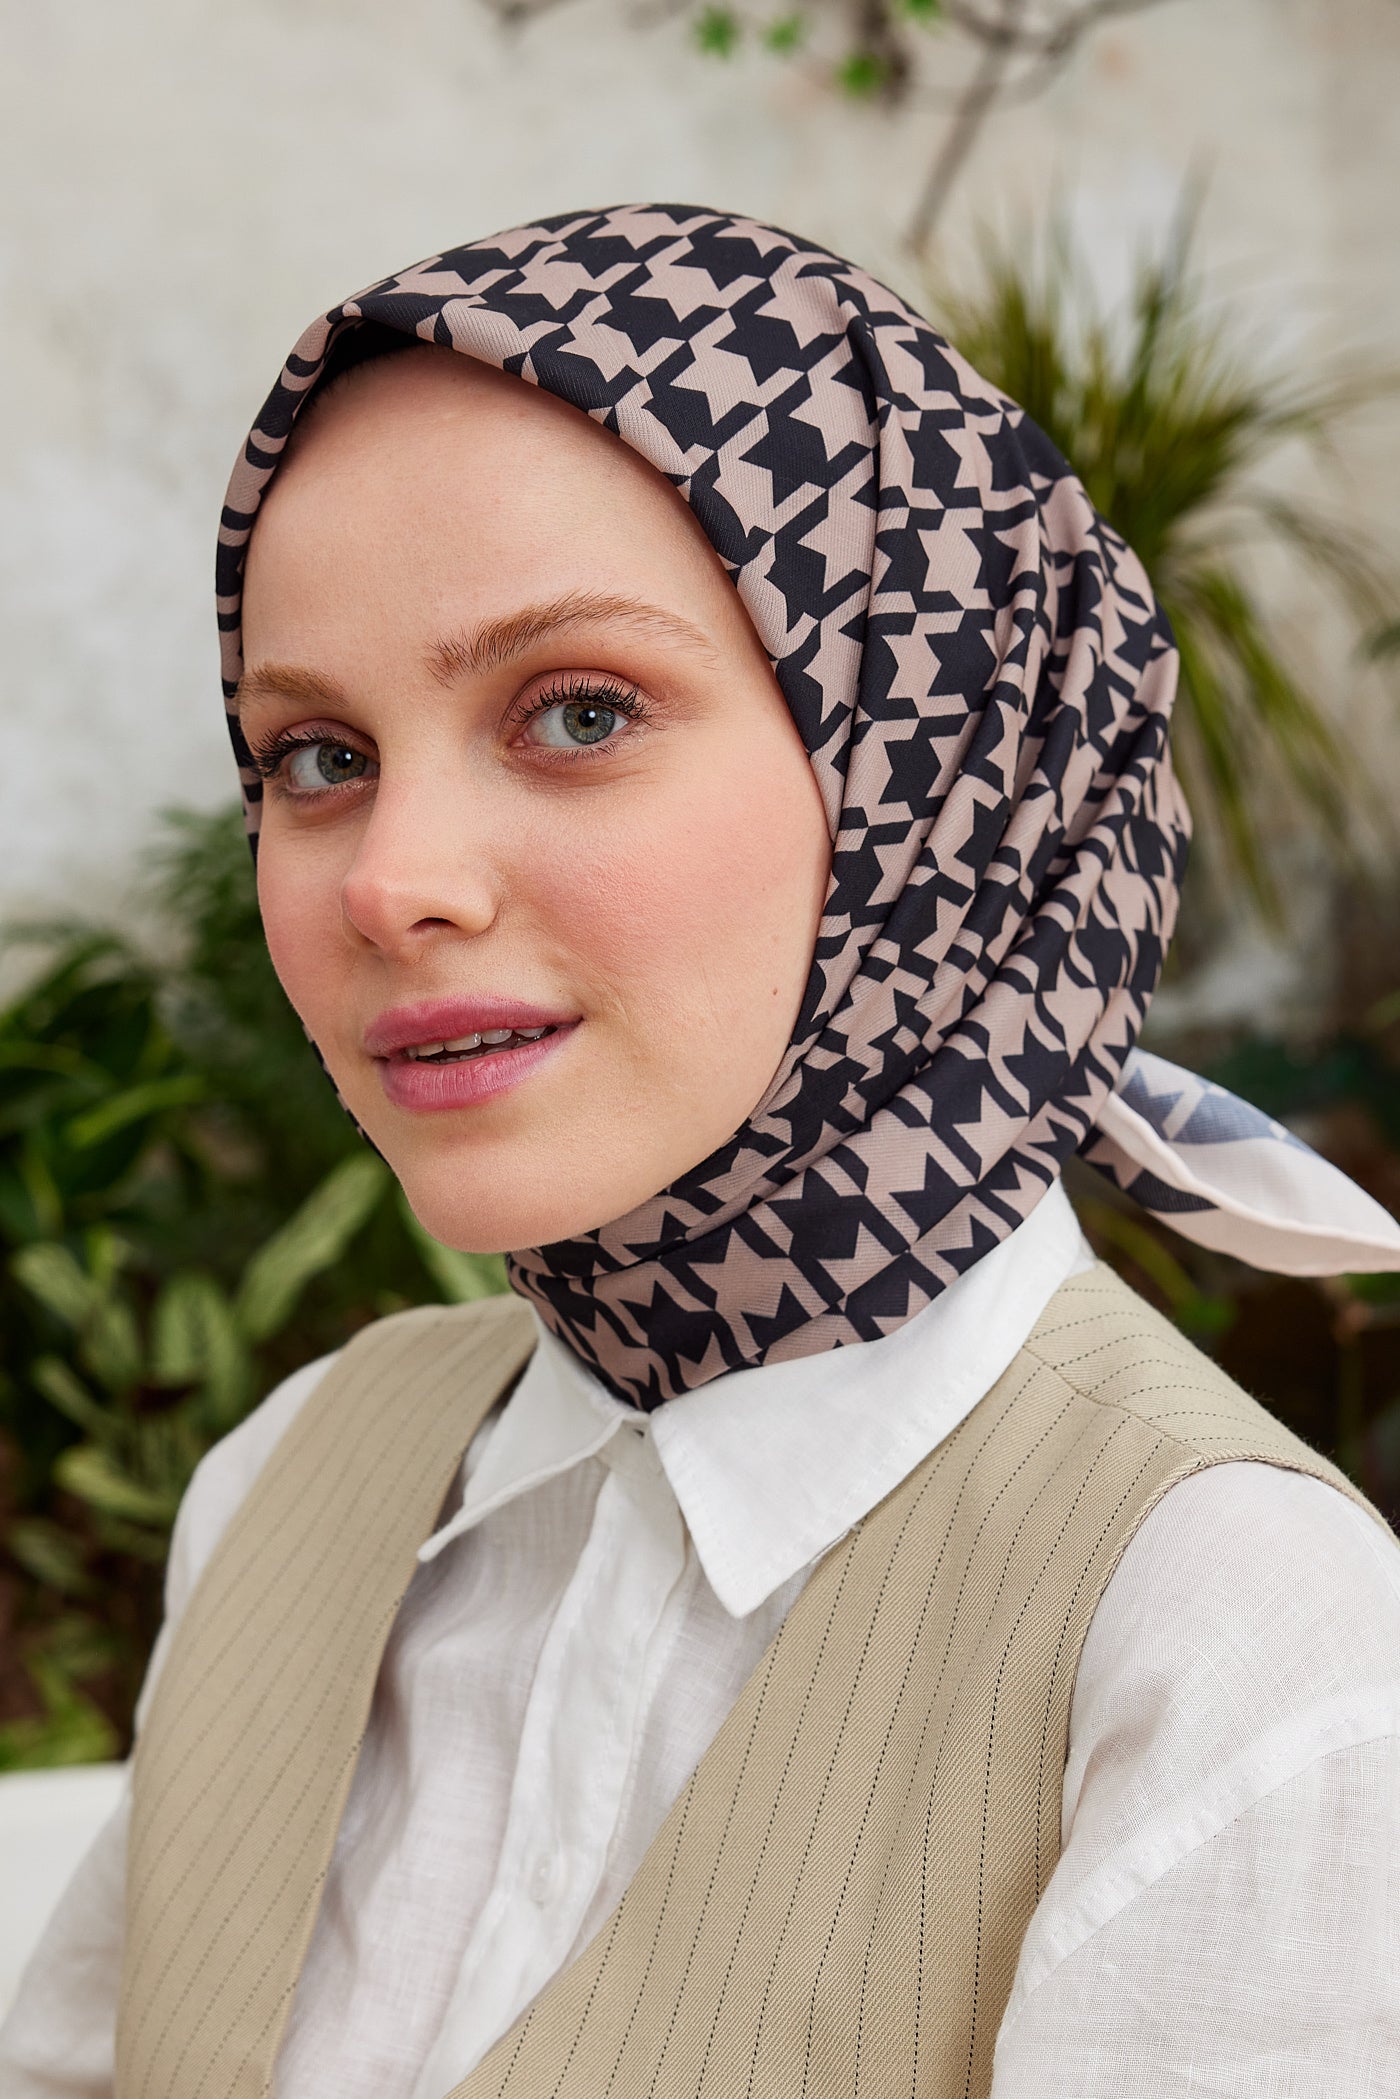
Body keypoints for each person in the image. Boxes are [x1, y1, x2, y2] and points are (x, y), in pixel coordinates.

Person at [4, 203, 1400, 2099]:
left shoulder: (1223, 1639)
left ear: (926, 775)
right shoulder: (290, 1484)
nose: (391, 882)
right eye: (317, 755)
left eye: (579, 712)